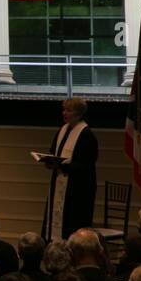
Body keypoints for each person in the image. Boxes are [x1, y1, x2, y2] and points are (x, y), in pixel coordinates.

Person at [40, 97, 99, 242]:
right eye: (64, 109)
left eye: (69, 110)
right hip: (60, 182)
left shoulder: (86, 134)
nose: (64, 113)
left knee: (73, 224)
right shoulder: (62, 130)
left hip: (77, 189)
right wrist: (49, 161)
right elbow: (54, 152)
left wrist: (61, 165)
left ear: (79, 114)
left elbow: (87, 164)